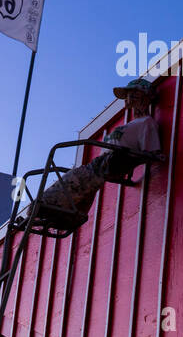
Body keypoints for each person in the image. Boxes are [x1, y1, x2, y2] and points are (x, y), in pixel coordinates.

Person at [31, 78, 161, 228]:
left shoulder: (146, 123)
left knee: (77, 176)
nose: (129, 98)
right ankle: (66, 218)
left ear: (144, 96)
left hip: (113, 160)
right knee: (88, 186)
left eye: (133, 93)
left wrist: (130, 159)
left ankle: (44, 205)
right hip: (103, 162)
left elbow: (152, 152)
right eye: (128, 94)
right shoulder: (130, 124)